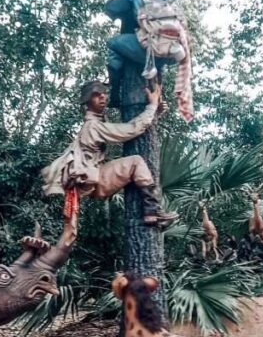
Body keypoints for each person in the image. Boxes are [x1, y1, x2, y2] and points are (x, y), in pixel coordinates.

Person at [41, 80, 178, 228]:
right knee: (136, 162)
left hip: (93, 179)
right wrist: (151, 107)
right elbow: (131, 130)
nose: (102, 98)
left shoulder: (96, 123)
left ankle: (152, 212)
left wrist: (154, 113)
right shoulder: (93, 126)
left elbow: (134, 129)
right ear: (87, 101)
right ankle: (152, 211)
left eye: (104, 94)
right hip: (94, 180)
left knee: (133, 162)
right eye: (96, 95)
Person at [105, 0, 193, 121]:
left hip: (148, 47)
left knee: (113, 43)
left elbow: (110, 8)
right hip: (171, 53)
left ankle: (114, 91)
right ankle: (157, 83)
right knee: (160, 53)